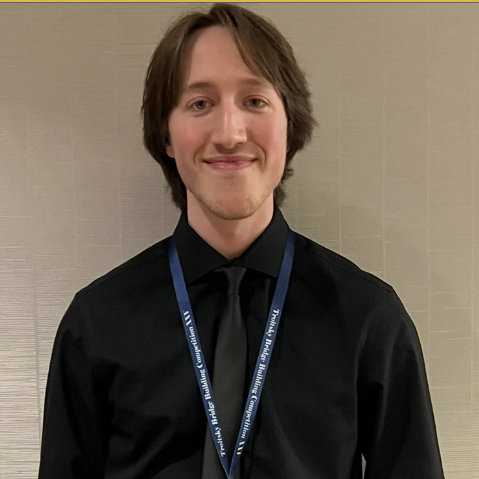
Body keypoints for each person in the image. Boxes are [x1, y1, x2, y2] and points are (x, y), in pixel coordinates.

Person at [39, 4, 445, 479]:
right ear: (166, 134)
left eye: (254, 101)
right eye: (200, 104)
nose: (230, 134)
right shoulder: (96, 322)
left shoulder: (368, 317)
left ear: (289, 127)